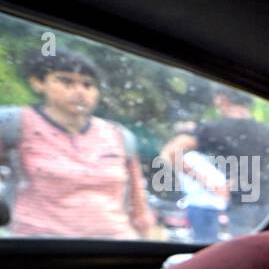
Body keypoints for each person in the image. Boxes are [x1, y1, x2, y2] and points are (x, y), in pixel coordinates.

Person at [0, 50, 155, 239]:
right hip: (37, 247)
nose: (79, 91)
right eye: (66, 81)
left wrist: (150, 242)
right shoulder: (15, 123)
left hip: (116, 246)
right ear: (38, 83)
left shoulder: (118, 134)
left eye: (88, 85)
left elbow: (137, 200)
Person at [158, 87, 269, 239]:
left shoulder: (214, 129)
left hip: (241, 206)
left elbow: (170, 152)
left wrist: (207, 184)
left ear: (222, 99)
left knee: (246, 256)